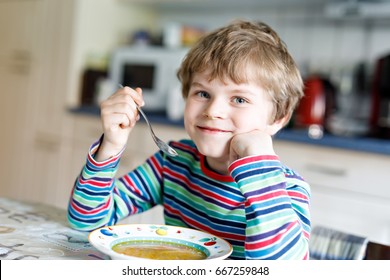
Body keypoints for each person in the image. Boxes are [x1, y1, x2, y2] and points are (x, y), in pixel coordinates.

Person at [67, 20, 311, 260]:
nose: (213, 111)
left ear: (279, 117)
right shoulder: (172, 163)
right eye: (202, 93)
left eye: (239, 99)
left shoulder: (287, 189)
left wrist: (259, 169)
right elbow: (85, 220)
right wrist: (111, 144)